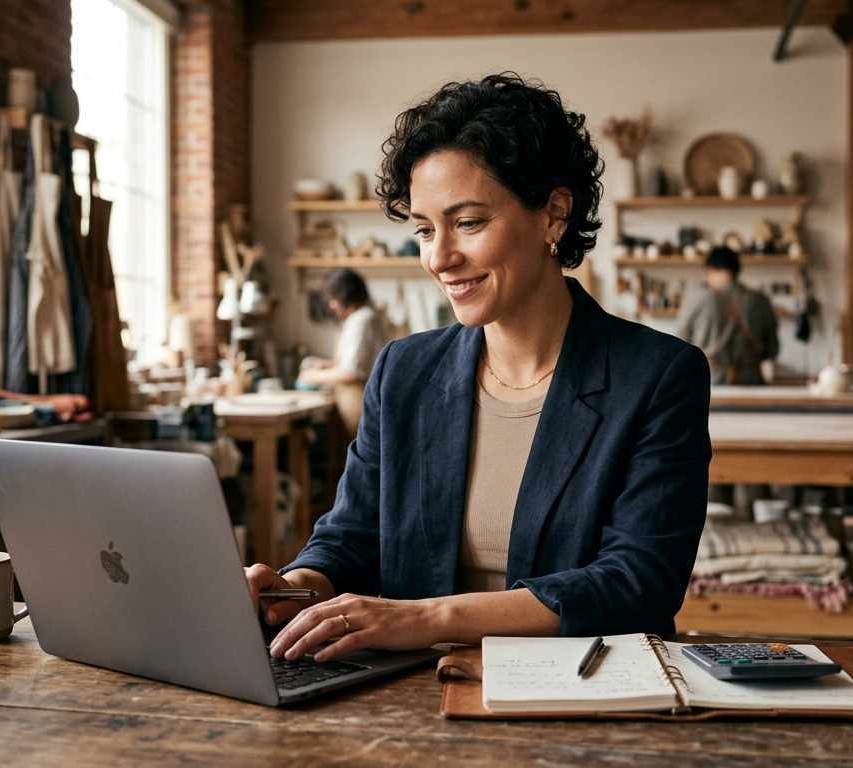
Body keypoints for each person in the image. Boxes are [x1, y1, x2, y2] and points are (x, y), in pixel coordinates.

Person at [247, 73, 710, 664]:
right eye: (424, 230)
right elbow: (352, 538)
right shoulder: (402, 370)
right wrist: (293, 590)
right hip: (407, 694)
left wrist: (428, 618)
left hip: (579, 692)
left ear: (554, 215)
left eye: (468, 223)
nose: (440, 257)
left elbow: (637, 582)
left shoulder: (660, 375)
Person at [297, 268, 388, 433]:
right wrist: (326, 365)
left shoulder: (362, 320)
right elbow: (357, 362)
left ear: (345, 295)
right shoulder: (358, 319)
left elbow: (352, 372)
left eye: (333, 299)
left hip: (360, 403)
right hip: (353, 404)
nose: (332, 305)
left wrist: (313, 376)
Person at [674, 247, 780, 385]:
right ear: (739, 270)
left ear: (709, 269)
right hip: (751, 382)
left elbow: (679, 347)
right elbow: (772, 350)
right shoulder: (760, 300)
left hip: (707, 381)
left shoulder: (695, 300)